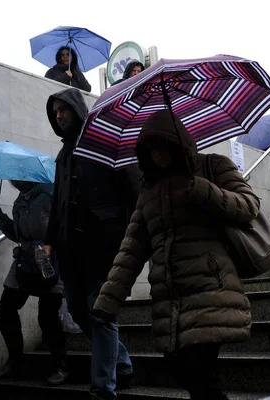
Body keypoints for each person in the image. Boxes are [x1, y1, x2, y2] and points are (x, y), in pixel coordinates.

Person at [93, 109, 261, 400]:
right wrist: (109, 299)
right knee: (183, 371)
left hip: (211, 288)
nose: (157, 154)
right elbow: (132, 249)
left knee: (202, 374)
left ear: (177, 143)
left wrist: (205, 191)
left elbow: (249, 205)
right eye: (150, 149)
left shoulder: (212, 166)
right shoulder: (149, 191)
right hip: (170, 298)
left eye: (162, 146)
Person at [43, 87, 141, 400]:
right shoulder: (62, 154)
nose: (59, 116)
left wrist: (134, 234)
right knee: (77, 310)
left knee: (100, 314)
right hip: (69, 251)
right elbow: (57, 199)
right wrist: (48, 241)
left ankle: (103, 389)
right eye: (55, 112)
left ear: (77, 109)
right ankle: (122, 364)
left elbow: (133, 189)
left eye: (64, 110)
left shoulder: (104, 141)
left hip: (103, 246)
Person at [0, 181, 68, 386]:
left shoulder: (50, 196)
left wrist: (50, 246)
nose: (13, 182)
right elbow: (19, 235)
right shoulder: (20, 202)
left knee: (47, 315)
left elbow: (64, 227)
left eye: (18, 177)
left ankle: (59, 365)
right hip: (25, 259)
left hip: (48, 258)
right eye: (12, 179)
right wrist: (2, 221)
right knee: (6, 308)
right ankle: (15, 361)